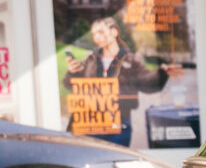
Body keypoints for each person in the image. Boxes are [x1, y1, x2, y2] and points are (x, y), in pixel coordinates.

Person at [62, 15, 166, 145]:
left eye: (100, 32)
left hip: (119, 125)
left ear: (114, 32)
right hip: (91, 125)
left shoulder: (130, 61)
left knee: (116, 163)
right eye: (94, 34)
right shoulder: (90, 60)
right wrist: (72, 72)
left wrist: (163, 73)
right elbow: (69, 85)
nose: (97, 37)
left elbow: (148, 83)